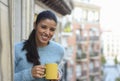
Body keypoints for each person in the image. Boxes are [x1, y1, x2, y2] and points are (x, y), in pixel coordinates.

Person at [14, 10, 65, 81]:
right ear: (35, 25)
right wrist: (29, 74)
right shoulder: (16, 49)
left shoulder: (59, 50)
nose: (47, 33)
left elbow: (59, 69)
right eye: (43, 27)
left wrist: (58, 75)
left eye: (52, 29)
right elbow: (5, 77)